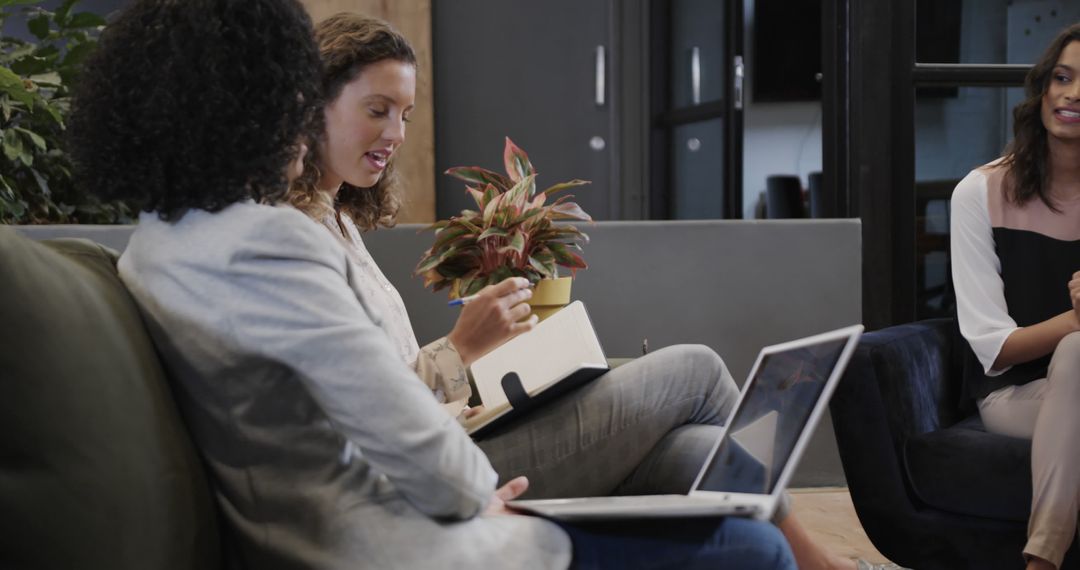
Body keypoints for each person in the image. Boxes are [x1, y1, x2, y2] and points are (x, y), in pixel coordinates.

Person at [67, 0, 797, 567]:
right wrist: (481, 494)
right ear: (241, 112)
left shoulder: (163, 243)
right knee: (747, 525)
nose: (298, 120)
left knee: (692, 453)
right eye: (290, 99)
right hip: (389, 533)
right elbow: (395, 426)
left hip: (392, 489)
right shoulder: (266, 240)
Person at [288, 13, 895, 570]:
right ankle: (821, 566)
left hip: (453, 432)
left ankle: (795, 559)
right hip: (439, 468)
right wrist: (459, 349)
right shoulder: (294, 239)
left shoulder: (337, 219)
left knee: (698, 449)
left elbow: (382, 375)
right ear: (312, 105)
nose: (396, 132)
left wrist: (470, 365)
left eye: (405, 115)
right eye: (378, 110)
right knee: (697, 370)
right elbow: (353, 413)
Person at [951, 22, 1080, 570]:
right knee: (1077, 352)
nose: (1072, 94)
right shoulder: (980, 192)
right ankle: (1043, 560)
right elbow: (994, 348)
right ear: (1043, 89)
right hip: (1015, 394)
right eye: (1063, 78)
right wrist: (1076, 320)